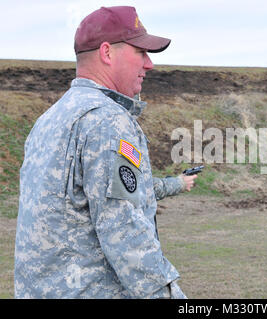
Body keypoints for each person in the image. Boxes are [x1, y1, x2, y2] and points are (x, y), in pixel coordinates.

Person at [15, 6, 197, 298]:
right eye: (141, 52)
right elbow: (124, 231)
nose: (149, 64)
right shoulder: (105, 119)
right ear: (107, 53)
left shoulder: (49, 119)